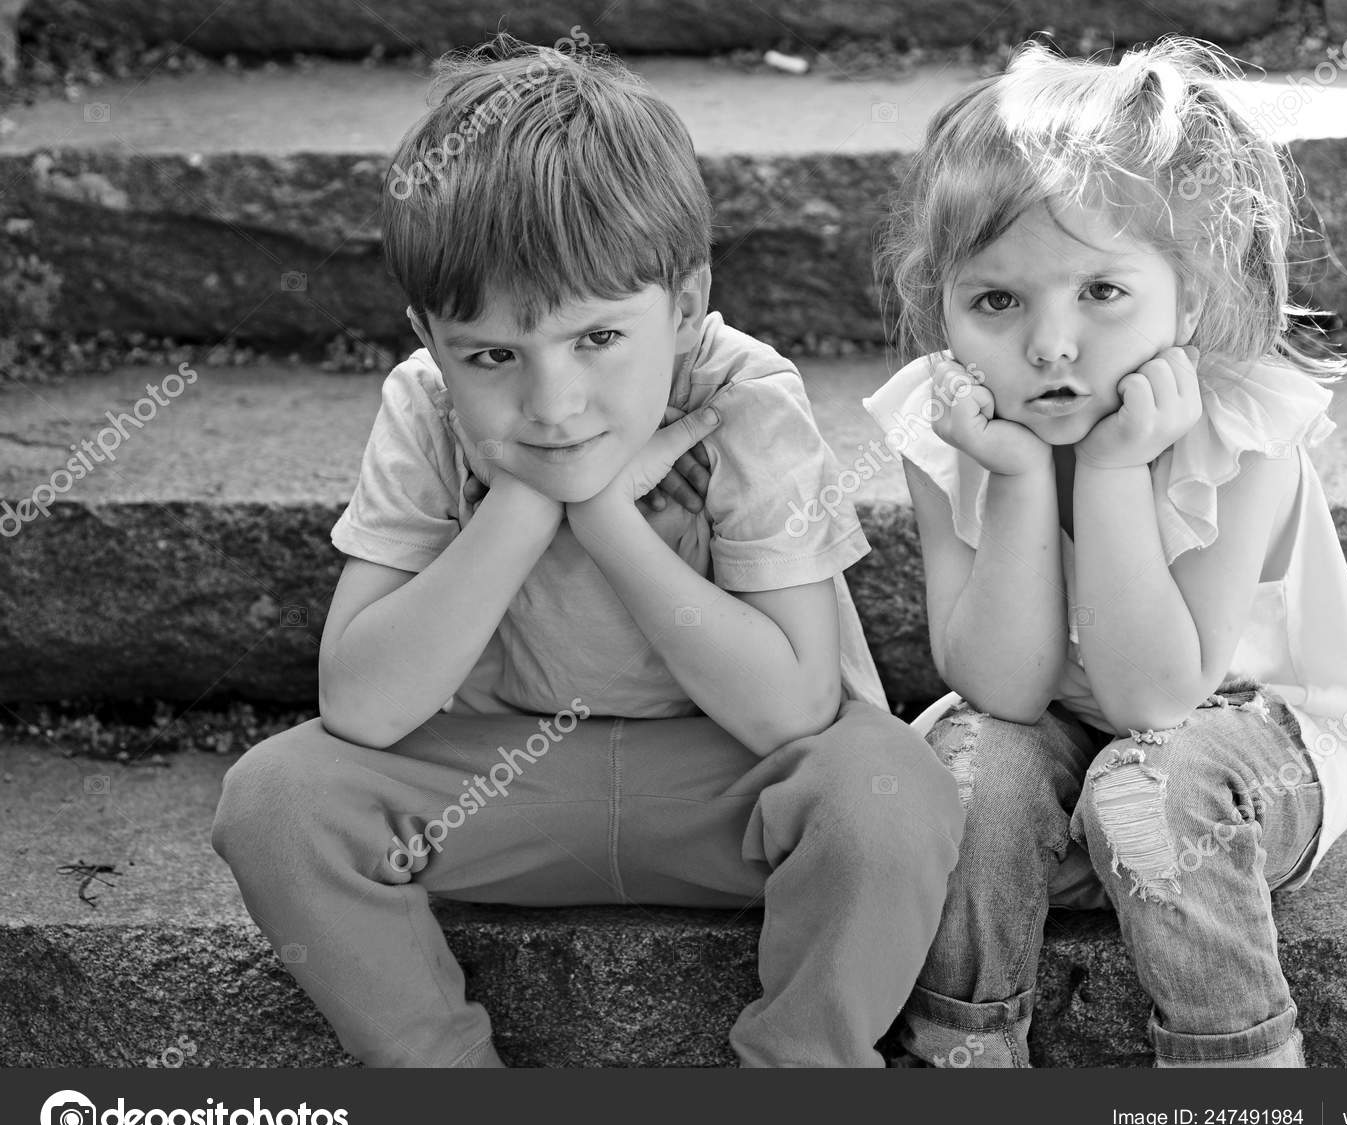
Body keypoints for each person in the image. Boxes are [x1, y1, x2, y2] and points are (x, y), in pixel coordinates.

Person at [211, 37, 962, 1068]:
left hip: (732, 791)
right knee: (276, 800)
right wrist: (527, 500)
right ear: (430, 338)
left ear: (686, 305)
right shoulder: (425, 407)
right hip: (491, 787)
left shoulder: (743, 398)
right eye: (492, 356)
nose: (552, 403)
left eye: (598, 340)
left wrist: (604, 516)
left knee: (893, 792)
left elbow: (791, 710)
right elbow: (365, 705)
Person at [866, 36, 1347, 1068]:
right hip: (1053, 728)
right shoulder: (950, 424)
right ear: (944, 309)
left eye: (1101, 293)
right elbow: (1001, 688)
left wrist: (1107, 476)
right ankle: (961, 1054)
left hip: (1243, 740)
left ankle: (1234, 1072)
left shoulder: (1241, 429)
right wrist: (1015, 481)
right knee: (967, 772)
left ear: (1187, 298)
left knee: (1146, 787)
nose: (1051, 345)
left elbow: (1155, 698)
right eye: (997, 301)